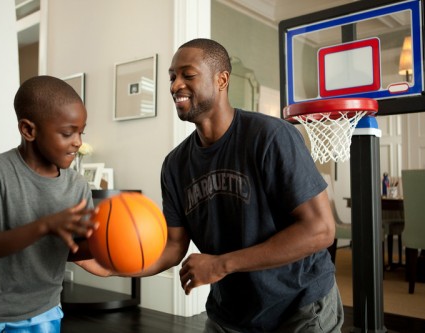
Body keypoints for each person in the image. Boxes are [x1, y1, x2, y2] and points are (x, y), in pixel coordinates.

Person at [128, 38, 343, 332]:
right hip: (231, 313)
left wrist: (220, 264)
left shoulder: (271, 137)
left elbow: (321, 230)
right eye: (172, 77)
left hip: (300, 306)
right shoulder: (175, 165)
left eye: (187, 75)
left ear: (222, 79)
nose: (175, 85)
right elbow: (174, 245)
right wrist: (117, 263)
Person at [0, 75, 102, 332]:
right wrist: (46, 225)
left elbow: (72, 251)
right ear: (28, 130)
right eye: (68, 133)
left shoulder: (78, 186)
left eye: (81, 132)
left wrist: (105, 244)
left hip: (41, 310)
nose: (78, 142)